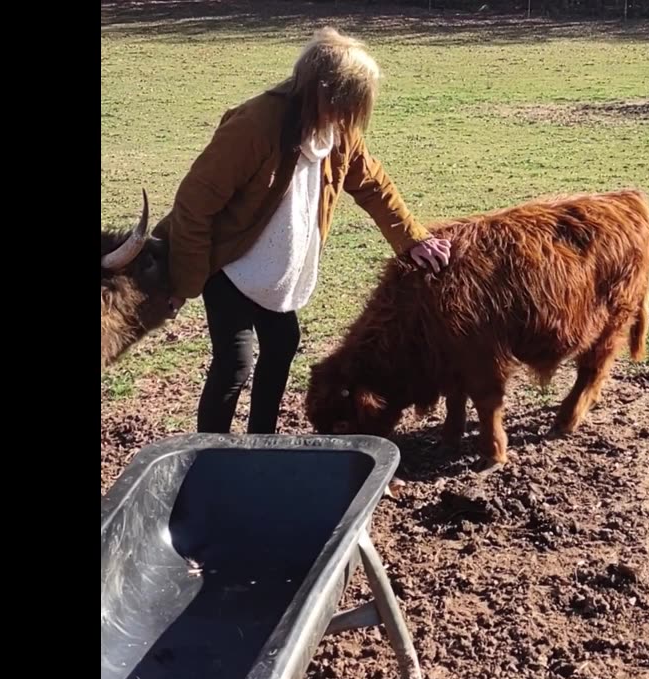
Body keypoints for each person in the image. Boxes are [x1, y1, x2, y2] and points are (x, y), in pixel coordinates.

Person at [153, 28, 451, 435]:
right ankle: (209, 450)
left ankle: (261, 441)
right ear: (325, 92)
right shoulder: (254, 125)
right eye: (348, 104)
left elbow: (372, 184)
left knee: (281, 346)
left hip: (278, 272)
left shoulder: (339, 129)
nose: (351, 117)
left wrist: (413, 238)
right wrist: (184, 282)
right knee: (235, 362)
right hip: (231, 266)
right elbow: (194, 205)